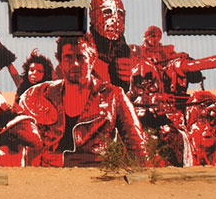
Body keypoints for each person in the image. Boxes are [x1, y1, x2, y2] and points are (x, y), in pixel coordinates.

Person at [18, 34, 149, 167]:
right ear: (60, 60)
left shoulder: (114, 96)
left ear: (92, 60)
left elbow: (138, 149)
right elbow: (22, 145)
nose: (74, 63)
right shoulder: (38, 94)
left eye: (80, 57)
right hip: (48, 180)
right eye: (68, 57)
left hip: (95, 180)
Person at [0, 31, 54, 102]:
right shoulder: (22, 84)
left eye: (39, 71)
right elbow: (11, 68)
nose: (34, 73)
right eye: (32, 70)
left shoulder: (49, 90)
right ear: (27, 71)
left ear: (45, 74)